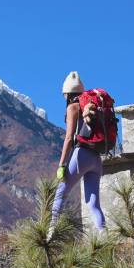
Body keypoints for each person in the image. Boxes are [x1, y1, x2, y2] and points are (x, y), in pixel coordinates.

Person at [49, 71, 105, 239]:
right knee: (94, 203)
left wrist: (62, 164)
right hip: (97, 158)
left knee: (60, 194)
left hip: (81, 155)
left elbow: (68, 138)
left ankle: (50, 233)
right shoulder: (93, 106)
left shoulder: (73, 107)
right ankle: (104, 235)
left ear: (67, 94)